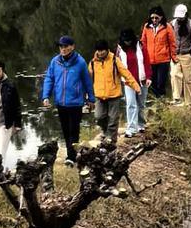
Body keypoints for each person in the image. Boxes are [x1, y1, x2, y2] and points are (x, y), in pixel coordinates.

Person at [41, 34, 94, 162]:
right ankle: (72, 153)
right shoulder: (55, 61)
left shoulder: (80, 62)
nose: (63, 49)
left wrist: (91, 99)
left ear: (72, 47)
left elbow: (87, 81)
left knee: (73, 130)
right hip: (60, 102)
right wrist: (46, 96)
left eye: (66, 46)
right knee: (65, 130)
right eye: (61, 46)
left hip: (75, 102)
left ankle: (71, 157)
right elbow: (49, 78)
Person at [91, 39, 136, 143]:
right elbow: (87, 77)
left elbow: (126, 74)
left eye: (102, 50)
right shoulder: (93, 63)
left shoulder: (115, 61)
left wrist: (136, 87)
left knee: (113, 118)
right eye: (98, 50)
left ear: (107, 50)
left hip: (114, 94)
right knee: (99, 116)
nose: (100, 52)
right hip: (99, 94)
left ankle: (111, 139)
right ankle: (105, 131)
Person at [117, 28, 150, 134]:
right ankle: (131, 128)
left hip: (142, 80)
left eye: (129, 40)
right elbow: (117, 66)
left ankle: (141, 124)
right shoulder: (119, 50)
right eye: (125, 40)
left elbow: (147, 62)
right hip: (128, 82)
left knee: (141, 104)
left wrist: (149, 77)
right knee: (131, 104)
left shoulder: (140, 46)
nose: (127, 42)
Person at [141, 7, 176, 99]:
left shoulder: (167, 27)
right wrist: (142, 57)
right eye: (152, 18)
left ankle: (162, 101)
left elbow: (172, 43)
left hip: (163, 60)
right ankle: (156, 102)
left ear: (161, 17)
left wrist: (174, 57)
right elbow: (143, 42)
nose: (154, 20)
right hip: (150, 60)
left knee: (161, 82)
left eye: (156, 18)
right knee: (152, 84)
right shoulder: (147, 27)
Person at [170, 3, 191, 101]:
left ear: (186, 15)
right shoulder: (172, 24)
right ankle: (176, 98)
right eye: (178, 17)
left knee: (188, 78)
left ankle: (190, 100)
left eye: (181, 17)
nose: (180, 19)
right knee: (174, 75)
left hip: (187, 55)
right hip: (175, 55)